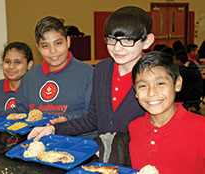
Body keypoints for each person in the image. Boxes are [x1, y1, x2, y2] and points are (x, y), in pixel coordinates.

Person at [27, 6, 154, 141]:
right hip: (104, 157)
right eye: (112, 39)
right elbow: (93, 118)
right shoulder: (102, 70)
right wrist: (54, 129)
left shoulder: (155, 77)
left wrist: (112, 150)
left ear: (147, 41)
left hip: (139, 158)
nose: (117, 48)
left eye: (127, 40)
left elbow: (155, 130)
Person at [0, 16, 96, 139]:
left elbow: (93, 117)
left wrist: (66, 120)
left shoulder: (89, 74)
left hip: (78, 147)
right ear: (38, 48)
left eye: (58, 43)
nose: (53, 51)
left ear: (68, 42)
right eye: (45, 46)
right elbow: (21, 111)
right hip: (39, 145)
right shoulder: (31, 76)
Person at [129, 51, 205, 174]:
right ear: (136, 92)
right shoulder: (134, 128)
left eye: (160, 84)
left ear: (177, 84)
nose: (152, 92)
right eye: (143, 86)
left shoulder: (201, 128)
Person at [0, 41, 34, 153]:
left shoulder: (34, 89)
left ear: (29, 64)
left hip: (27, 151)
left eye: (18, 62)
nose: (11, 66)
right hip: (0, 151)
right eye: (7, 61)